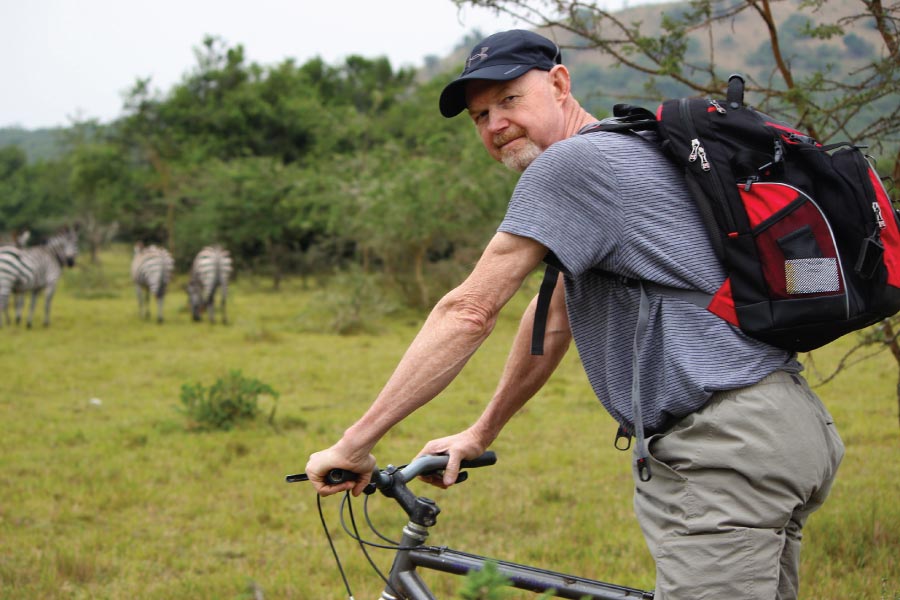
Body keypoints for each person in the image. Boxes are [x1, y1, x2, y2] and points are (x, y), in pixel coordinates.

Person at [305, 29, 844, 599]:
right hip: (780, 425)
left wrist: (355, 443)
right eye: (480, 115)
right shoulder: (630, 148)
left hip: (723, 447)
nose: (495, 124)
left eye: (509, 100)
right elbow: (553, 317)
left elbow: (468, 310)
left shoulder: (572, 165)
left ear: (560, 84)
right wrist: (481, 431)